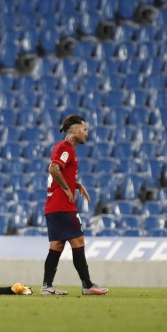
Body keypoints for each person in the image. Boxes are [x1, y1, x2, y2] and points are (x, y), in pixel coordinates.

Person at [40, 114, 108, 296]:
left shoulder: (62, 148)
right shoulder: (66, 148)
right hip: (63, 206)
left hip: (52, 207)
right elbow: (53, 169)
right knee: (78, 242)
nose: (87, 133)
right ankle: (87, 285)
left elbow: (58, 170)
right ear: (76, 130)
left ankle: (47, 286)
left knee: (56, 246)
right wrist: (67, 188)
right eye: (85, 129)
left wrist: (75, 184)